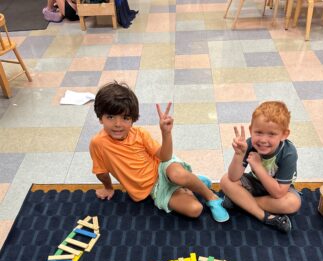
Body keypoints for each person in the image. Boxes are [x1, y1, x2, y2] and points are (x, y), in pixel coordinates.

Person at [89, 82, 229, 222]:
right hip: (155, 190)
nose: (118, 124)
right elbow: (101, 171)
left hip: (163, 168)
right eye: (111, 117)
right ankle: (192, 182)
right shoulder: (97, 144)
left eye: (125, 118)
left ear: (133, 120)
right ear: (100, 117)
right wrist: (108, 188)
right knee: (195, 210)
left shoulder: (140, 134)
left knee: (177, 175)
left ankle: (212, 198)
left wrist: (166, 133)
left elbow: (165, 157)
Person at [220, 101, 301, 233]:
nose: (263, 140)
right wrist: (239, 154)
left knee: (293, 203)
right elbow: (233, 177)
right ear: (250, 130)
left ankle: (240, 202)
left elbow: (278, 193)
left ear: (284, 134)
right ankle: (265, 216)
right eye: (258, 132)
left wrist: (257, 166)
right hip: (255, 184)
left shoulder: (289, 152)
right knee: (225, 180)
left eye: (271, 134)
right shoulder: (248, 144)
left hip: (279, 191)